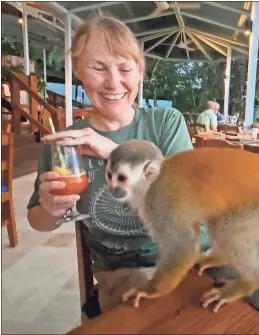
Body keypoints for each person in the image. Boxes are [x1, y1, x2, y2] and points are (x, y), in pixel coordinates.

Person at [26, 14, 210, 315]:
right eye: (98, 68)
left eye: (125, 68)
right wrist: (49, 210)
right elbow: (38, 220)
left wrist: (115, 153)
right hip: (124, 272)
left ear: (139, 73)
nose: (113, 82)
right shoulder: (67, 144)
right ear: (79, 72)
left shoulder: (165, 122)